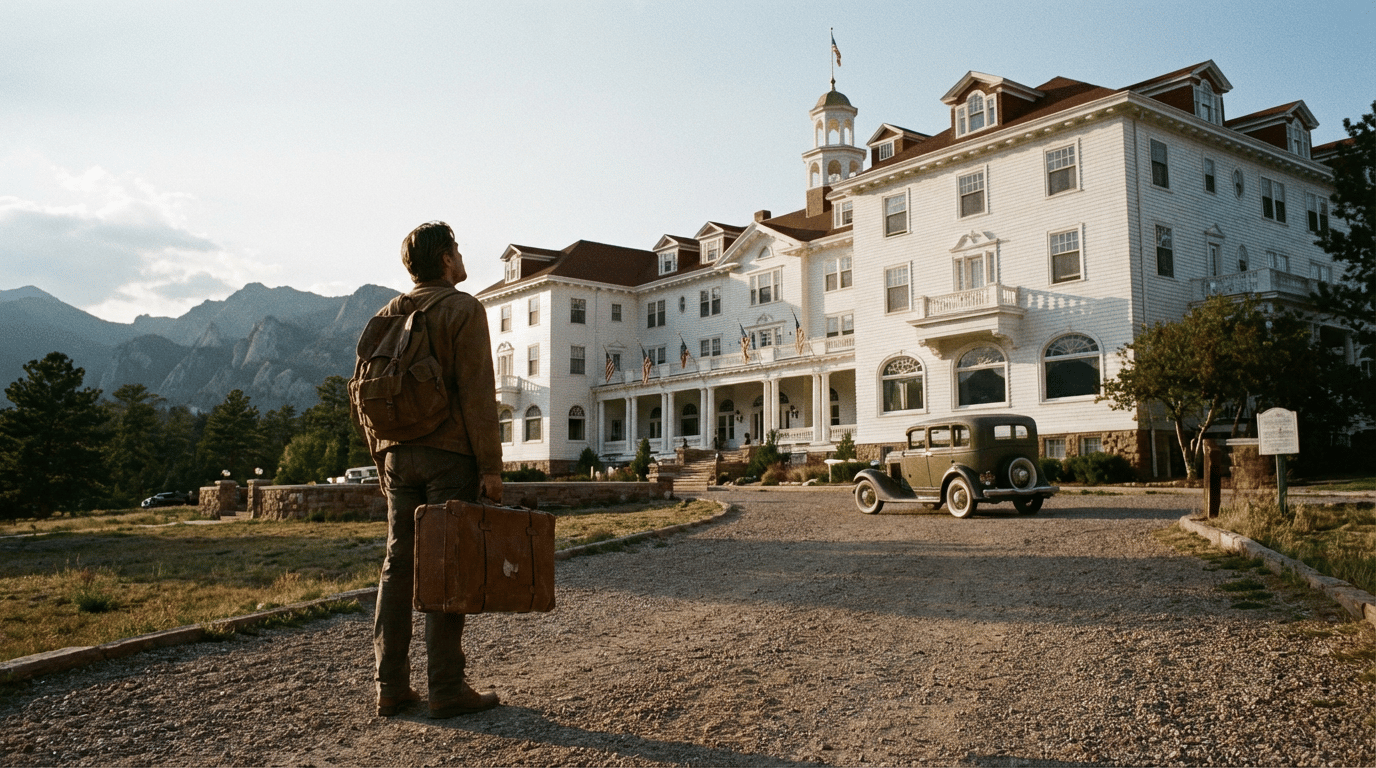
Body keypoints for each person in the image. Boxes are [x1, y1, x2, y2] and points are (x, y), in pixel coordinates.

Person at [353, 221, 505, 719]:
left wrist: (382, 457)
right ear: (445, 260)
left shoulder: (386, 315)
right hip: (450, 455)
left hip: (398, 455)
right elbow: (478, 392)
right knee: (447, 563)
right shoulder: (464, 309)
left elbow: (363, 392)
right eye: (458, 250)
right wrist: (490, 466)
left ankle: (390, 686)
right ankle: (445, 687)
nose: (463, 258)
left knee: (397, 565)